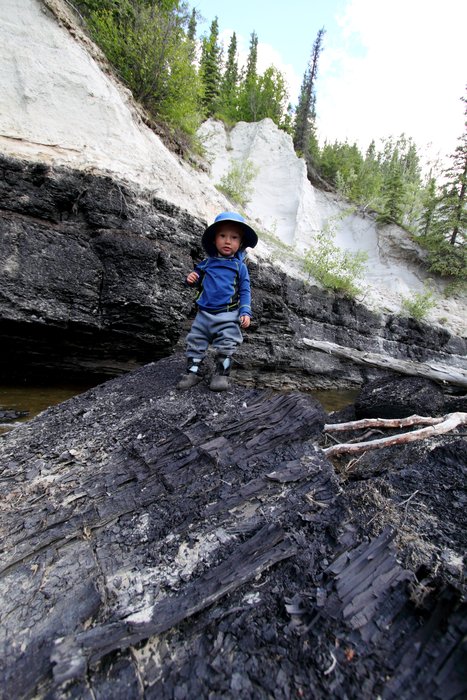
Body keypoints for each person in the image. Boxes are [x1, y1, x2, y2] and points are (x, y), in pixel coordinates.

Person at [177, 211, 258, 391]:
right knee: (196, 342)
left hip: (228, 314)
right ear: (214, 240)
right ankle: (192, 373)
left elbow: (245, 290)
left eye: (234, 237)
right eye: (222, 236)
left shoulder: (240, 267)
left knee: (227, 344)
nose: (227, 241)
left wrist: (245, 311)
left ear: (241, 243)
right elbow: (196, 278)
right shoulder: (206, 263)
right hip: (203, 314)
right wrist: (191, 278)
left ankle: (221, 375)